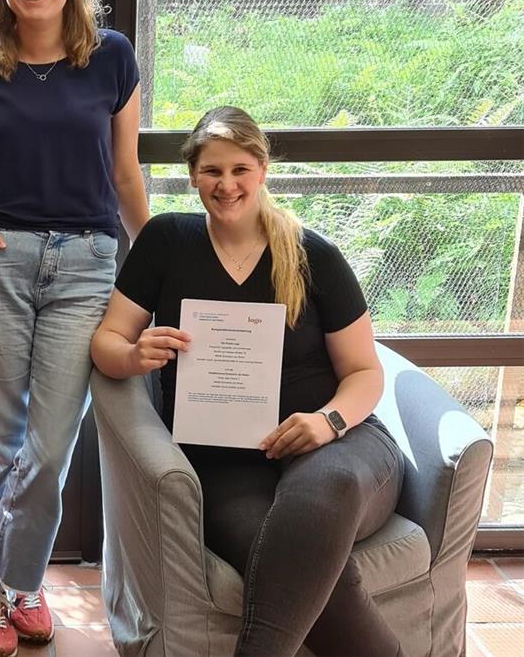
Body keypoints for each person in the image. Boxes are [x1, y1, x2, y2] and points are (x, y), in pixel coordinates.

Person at [90, 106, 404, 656]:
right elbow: (107, 342)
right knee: (295, 558)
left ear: (261, 170)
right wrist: (136, 353)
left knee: (318, 496)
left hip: (341, 447)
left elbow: (364, 372)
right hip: (225, 461)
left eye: (239, 169)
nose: (226, 184)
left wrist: (327, 422)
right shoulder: (165, 242)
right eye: (212, 171)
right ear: (192, 176)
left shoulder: (314, 255)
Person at [0, 0, 148, 657]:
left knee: (51, 445)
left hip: (86, 264)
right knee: (2, 441)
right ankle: (20, 589)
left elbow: (125, 172)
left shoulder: (112, 57)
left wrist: (149, 260)